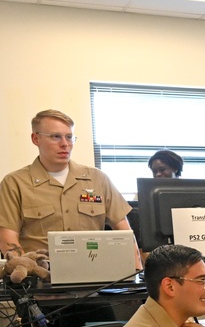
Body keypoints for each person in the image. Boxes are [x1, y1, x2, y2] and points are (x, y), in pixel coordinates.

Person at [0, 109, 140, 267]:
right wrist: (28, 273)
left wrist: (137, 274)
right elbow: (8, 239)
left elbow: (125, 233)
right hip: (41, 280)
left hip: (94, 274)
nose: (65, 144)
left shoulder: (97, 179)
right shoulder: (15, 183)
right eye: (55, 137)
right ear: (35, 138)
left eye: (69, 137)